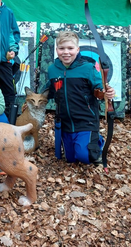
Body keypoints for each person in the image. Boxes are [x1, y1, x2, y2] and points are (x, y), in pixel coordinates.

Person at [42, 31, 116, 165]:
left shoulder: (87, 68)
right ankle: (84, 143)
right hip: (64, 122)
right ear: (56, 49)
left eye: (70, 48)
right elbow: (49, 90)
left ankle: (96, 140)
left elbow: (99, 89)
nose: (66, 52)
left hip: (85, 121)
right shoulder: (53, 69)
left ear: (77, 49)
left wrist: (106, 92)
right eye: (61, 48)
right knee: (70, 159)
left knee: (85, 157)